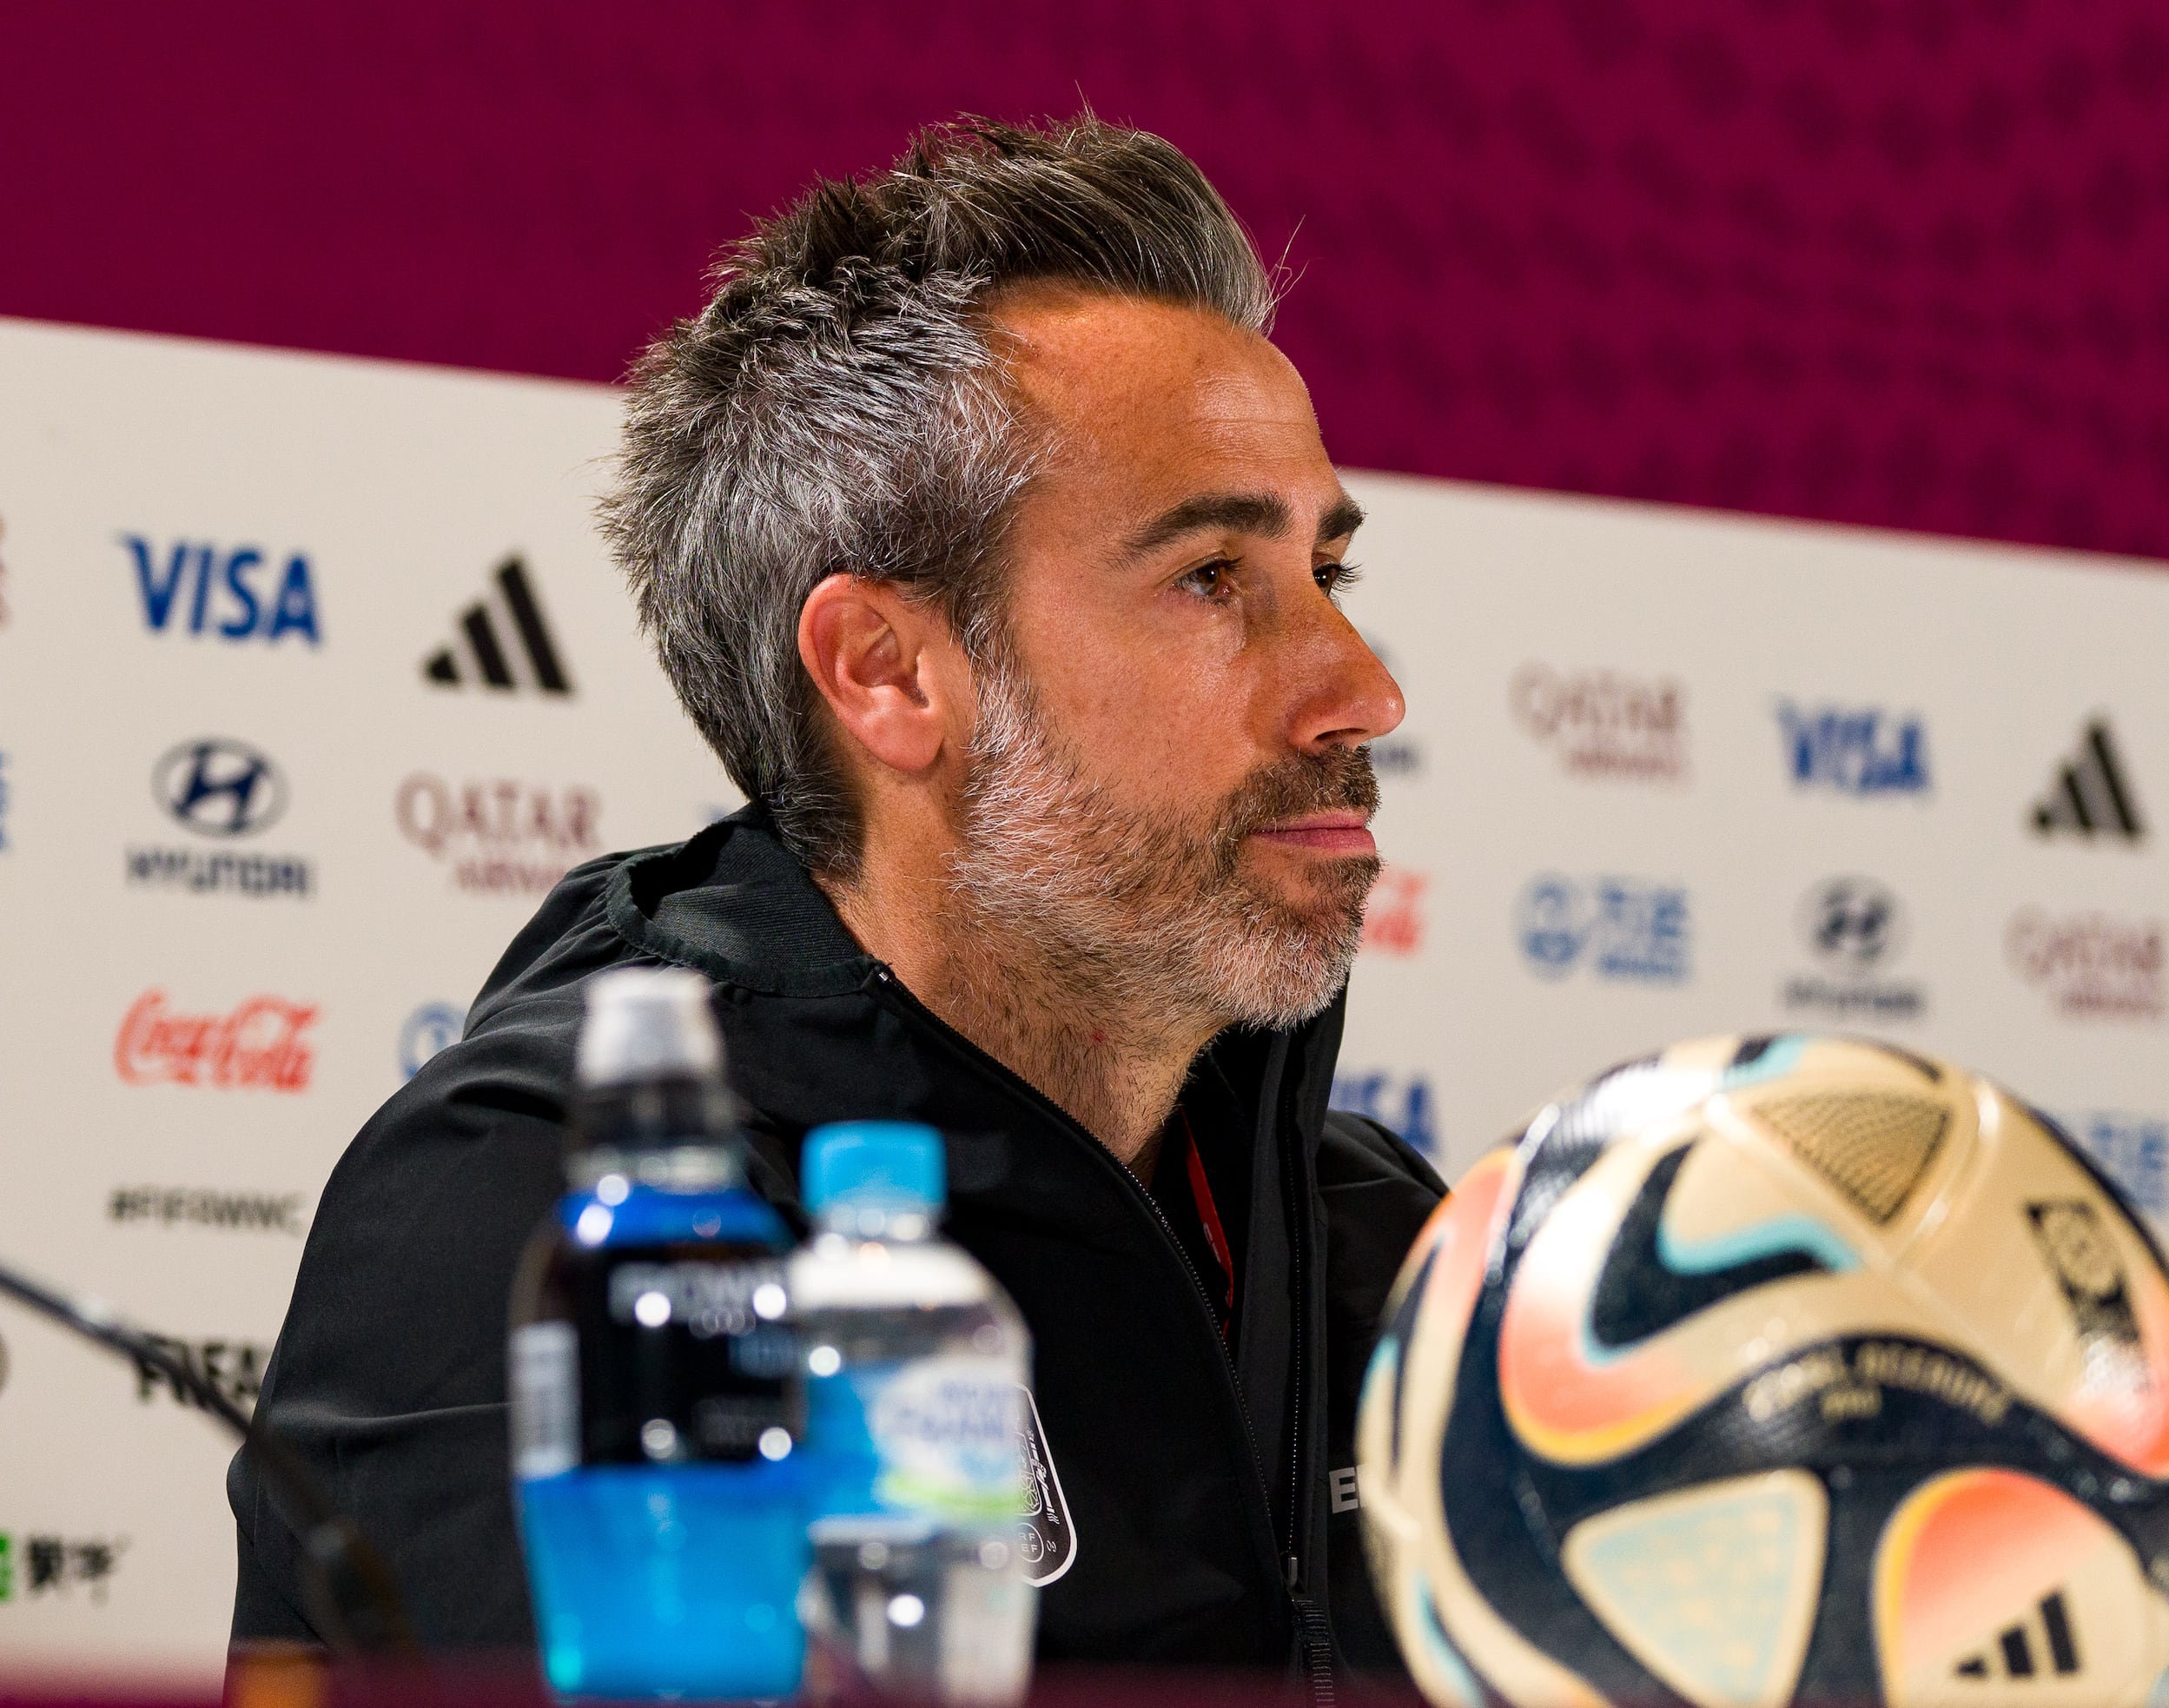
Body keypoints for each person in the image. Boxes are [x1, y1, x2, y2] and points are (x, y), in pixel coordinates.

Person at [231, 116, 1438, 1678]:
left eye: (1325, 576)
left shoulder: (1385, 1244)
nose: (1362, 690)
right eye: (1214, 577)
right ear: (886, 673)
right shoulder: (568, 1235)